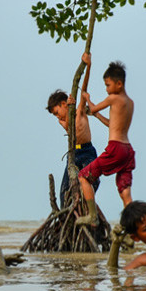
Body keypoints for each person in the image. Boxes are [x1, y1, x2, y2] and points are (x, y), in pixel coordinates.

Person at [77, 53, 135, 226]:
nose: (106, 89)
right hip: (128, 150)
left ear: (119, 83)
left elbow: (93, 108)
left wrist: (87, 99)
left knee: (83, 177)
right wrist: (95, 115)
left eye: (108, 85)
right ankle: (131, 228)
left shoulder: (113, 98)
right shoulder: (129, 102)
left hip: (115, 148)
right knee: (125, 193)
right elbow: (112, 124)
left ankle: (92, 216)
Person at [46, 55, 103, 208]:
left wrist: (88, 66)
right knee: (65, 191)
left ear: (64, 103)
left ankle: (87, 209)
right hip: (73, 154)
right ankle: (67, 216)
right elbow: (69, 125)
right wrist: (68, 111)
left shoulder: (80, 112)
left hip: (87, 151)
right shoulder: (62, 121)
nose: (56, 116)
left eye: (57, 111)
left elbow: (83, 88)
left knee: (92, 180)